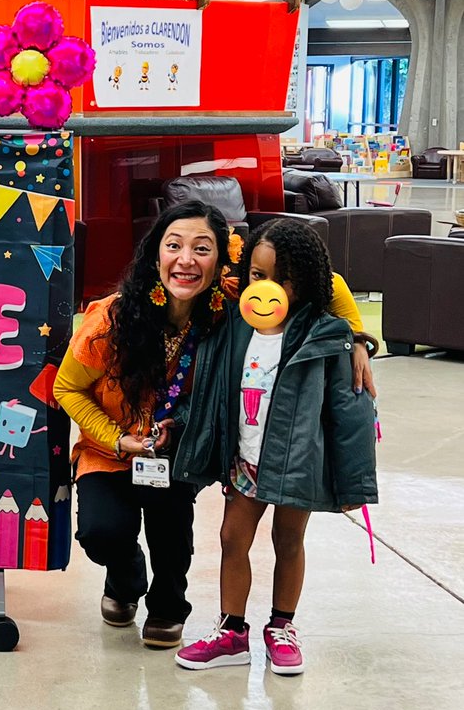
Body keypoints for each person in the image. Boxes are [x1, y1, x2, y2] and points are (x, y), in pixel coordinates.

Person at [173, 218, 378, 675]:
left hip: (297, 461)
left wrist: (352, 483)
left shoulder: (327, 335)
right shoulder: (233, 326)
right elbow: (210, 387)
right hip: (244, 459)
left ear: (304, 281)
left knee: (289, 540)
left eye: (283, 279)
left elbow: (351, 417)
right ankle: (232, 631)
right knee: (231, 538)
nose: (268, 289)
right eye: (258, 276)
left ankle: (282, 626)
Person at [53, 200, 230, 649]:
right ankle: (125, 575)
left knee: (173, 535)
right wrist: (118, 439)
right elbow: (66, 389)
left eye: (202, 248)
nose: (186, 259)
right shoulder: (110, 320)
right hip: (107, 452)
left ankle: (169, 607)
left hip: (176, 454)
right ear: (156, 256)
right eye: (174, 245)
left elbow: (323, 283)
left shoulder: (227, 312)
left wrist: (359, 341)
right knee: (100, 534)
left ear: (220, 261)